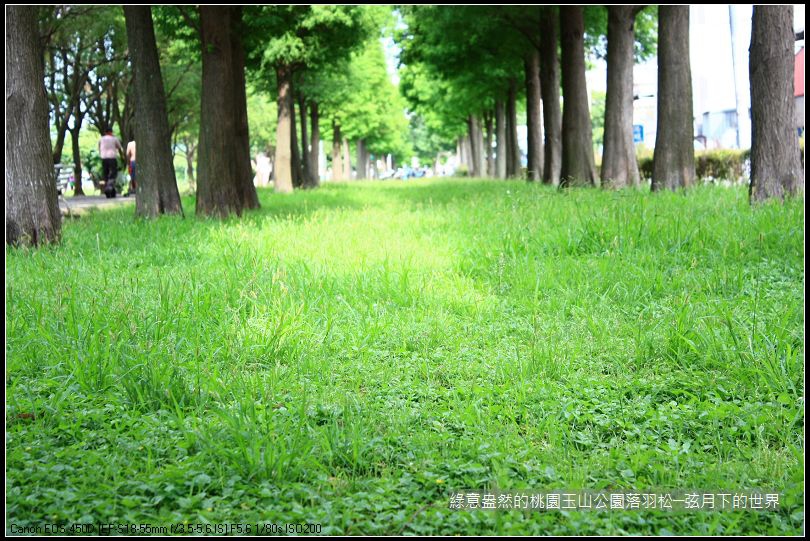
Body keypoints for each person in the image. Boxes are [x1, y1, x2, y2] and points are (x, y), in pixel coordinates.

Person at [98, 128, 124, 198]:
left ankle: (111, 191)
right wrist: (122, 157)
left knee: (105, 174)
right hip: (112, 158)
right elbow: (119, 148)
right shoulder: (114, 139)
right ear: (110, 132)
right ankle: (109, 188)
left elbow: (99, 148)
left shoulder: (101, 139)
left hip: (104, 158)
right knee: (113, 174)